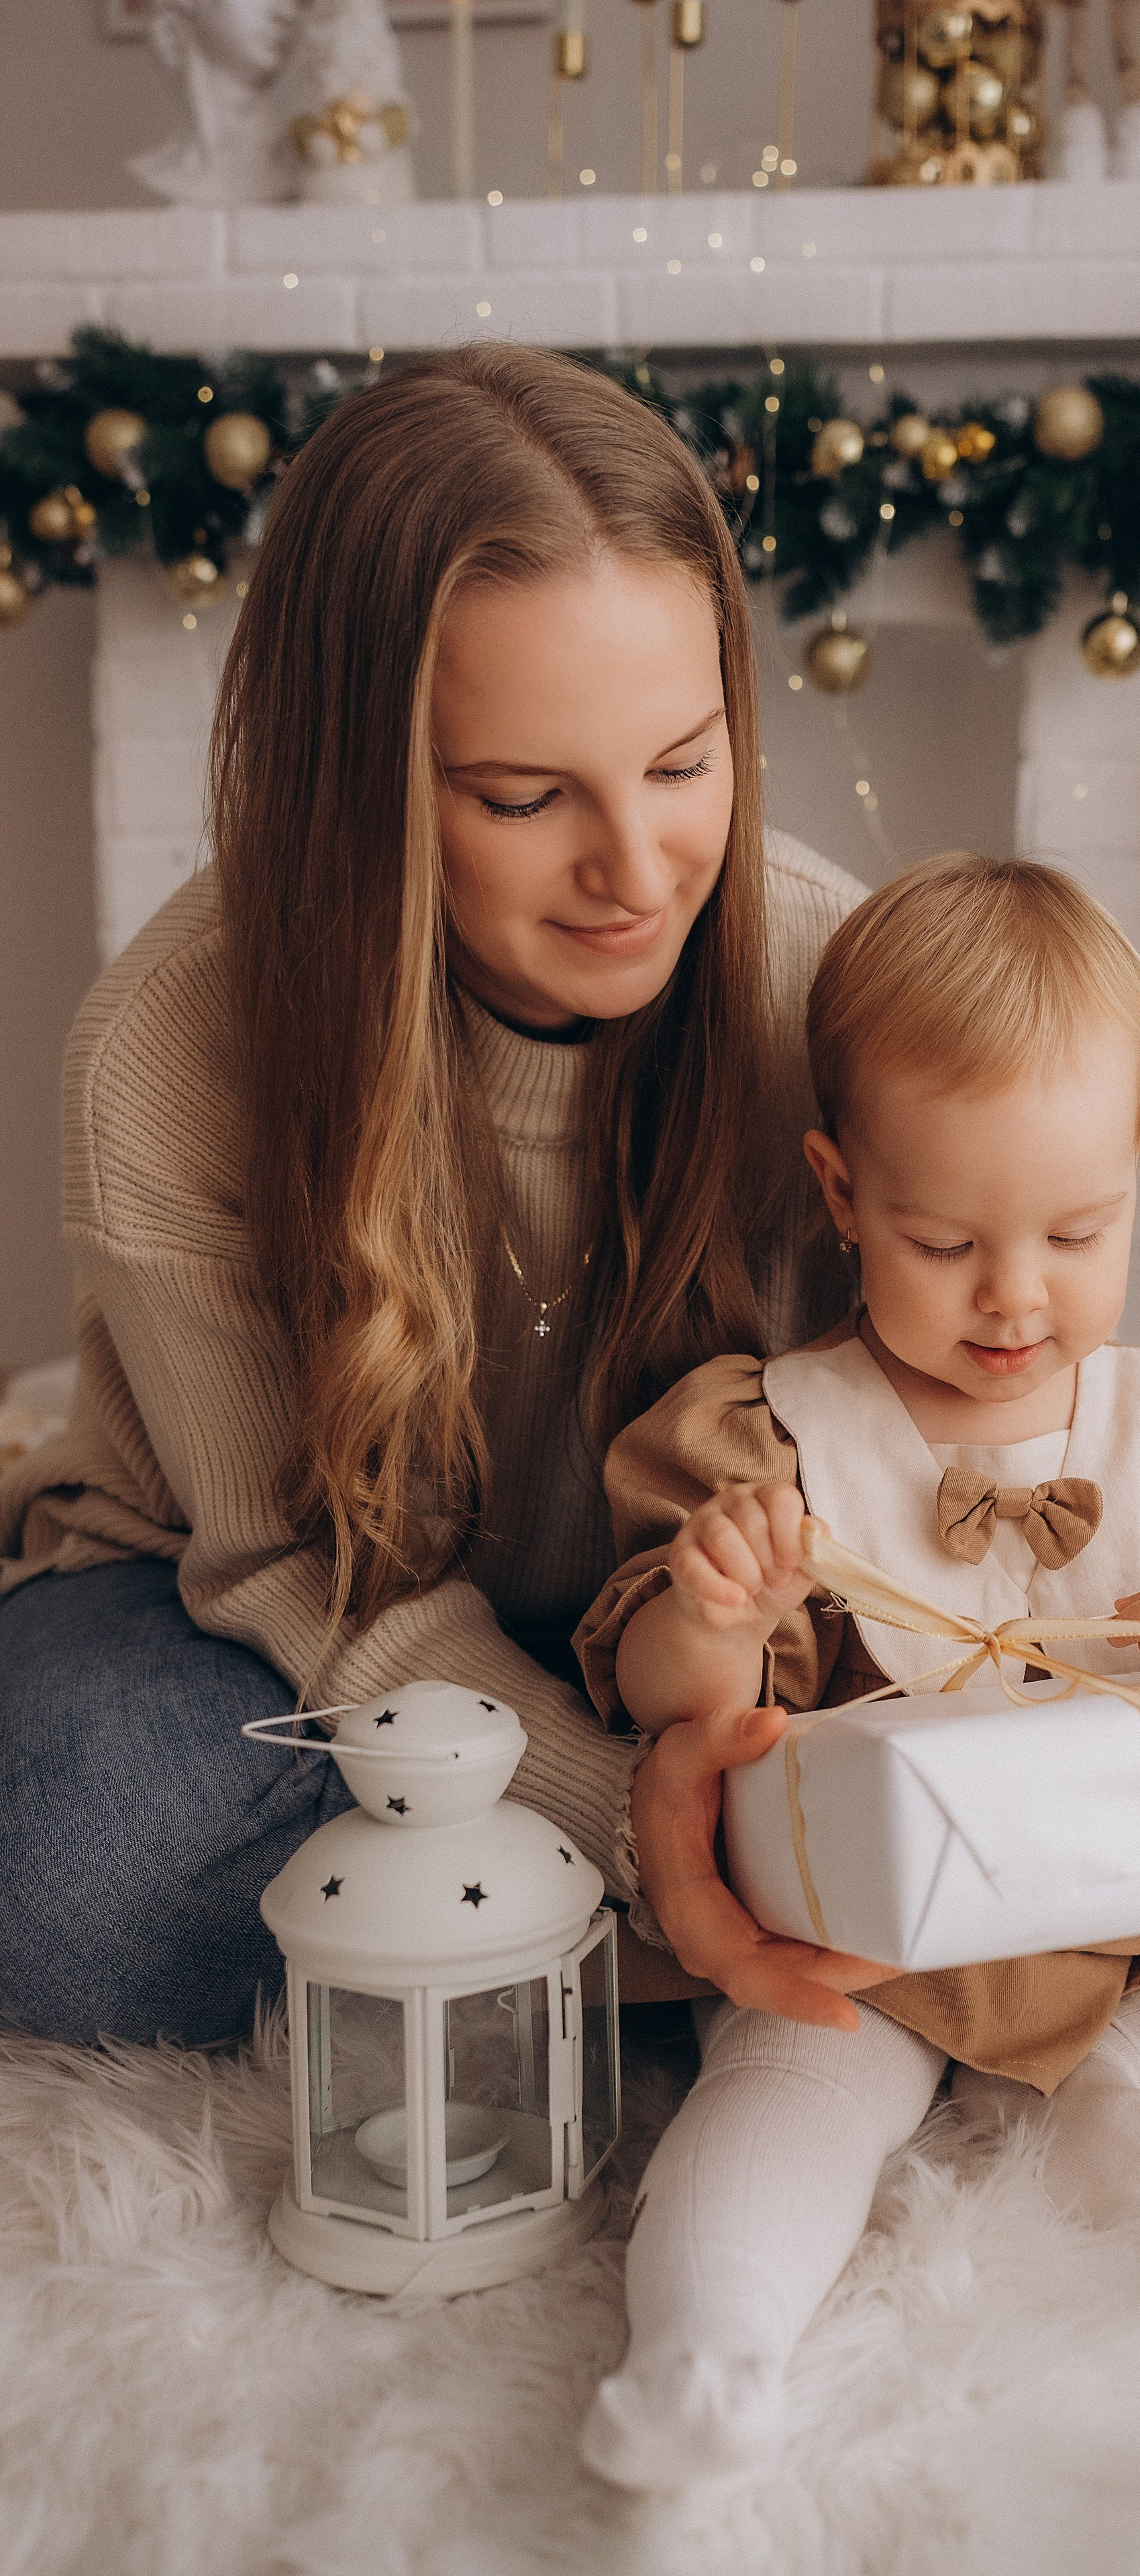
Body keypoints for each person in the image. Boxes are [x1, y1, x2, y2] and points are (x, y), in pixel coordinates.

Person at [0, 343, 870, 2048]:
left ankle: (503, 1945)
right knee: (67, 1863)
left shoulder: (828, 980)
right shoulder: (168, 1053)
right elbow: (307, 1577)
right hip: (262, 1609)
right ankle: (638, 1939)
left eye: (683, 765)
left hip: (698, 1617)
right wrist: (639, 1824)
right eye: (526, 799)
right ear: (364, 792)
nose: (636, 871)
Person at [571, 855, 1140, 2493]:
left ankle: (1133, 2081)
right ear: (840, 1198)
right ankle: (702, 2353)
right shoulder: (778, 1431)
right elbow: (668, 1704)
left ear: (1135, 1173)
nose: (1014, 1294)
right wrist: (715, 1600)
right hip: (896, 1941)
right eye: (942, 1240)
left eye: (1076, 1231)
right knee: (780, 2086)